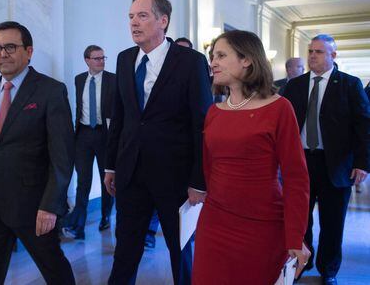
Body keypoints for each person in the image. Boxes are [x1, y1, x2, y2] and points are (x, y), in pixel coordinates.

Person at [104, 0, 212, 285]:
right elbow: (121, 117)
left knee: (180, 250)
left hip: (174, 176)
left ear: (163, 21)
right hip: (131, 173)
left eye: (142, 16)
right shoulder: (125, 59)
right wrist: (111, 166)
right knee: (125, 248)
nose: (134, 23)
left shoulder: (191, 61)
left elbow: (202, 124)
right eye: (130, 16)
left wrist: (198, 180)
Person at [192, 30, 310, 285]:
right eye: (212, 56)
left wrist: (295, 236)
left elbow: (296, 178)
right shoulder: (214, 112)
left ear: (247, 59)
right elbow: (209, 168)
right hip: (215, 222)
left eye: (221, 55)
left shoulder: (279, 108)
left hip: (262, 225)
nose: (213, 62)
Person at [0, 21, 75, 284]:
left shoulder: (50, 91)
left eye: (11, 47)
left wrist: (50, 206)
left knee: (55, 272)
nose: (3, 54)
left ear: (29, 51)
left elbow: (62, 155)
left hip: (34, 207)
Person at [283, 34, 370, 285]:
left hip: (336, 164)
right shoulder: (296, 85)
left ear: (333, 55)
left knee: (333, 222)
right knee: (300, 219)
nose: (313, 55)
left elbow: (363, 125)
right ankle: (302, 262)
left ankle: (328, 270)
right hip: (300, 163)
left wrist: (362, 162)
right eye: (311, 51)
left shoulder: (349, 84)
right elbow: (285, 125)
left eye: (319, 52)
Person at [145, 36, 195, 249]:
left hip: (177, 163)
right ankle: (149, 233)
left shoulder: (194, 68)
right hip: (146, 159)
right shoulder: (139, 65)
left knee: (178, 235)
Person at [62, 45, 115, 239]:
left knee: (106, 179)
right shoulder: (79, 80)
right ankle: (79, 226)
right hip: (83, 135)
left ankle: (106, 216)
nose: (101, 61)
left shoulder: (113, 80)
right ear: (87, 60)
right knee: (83, 181)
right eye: (97, 58)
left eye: (103, 58)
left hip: (105, 135)